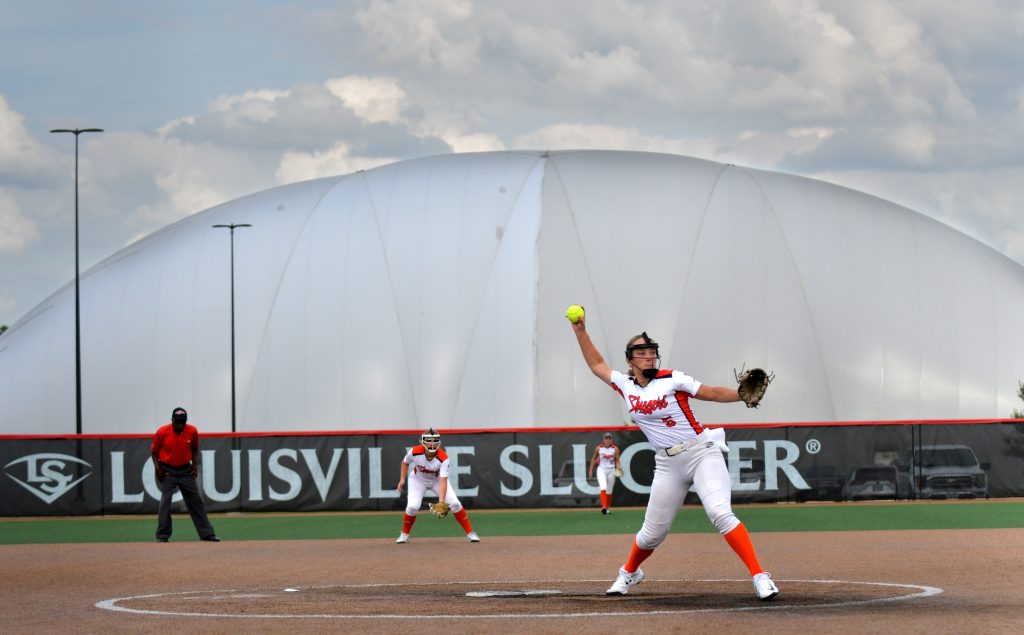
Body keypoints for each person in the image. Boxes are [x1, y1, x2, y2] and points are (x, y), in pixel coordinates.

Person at [569, 316, 779, 600]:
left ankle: (760, 576)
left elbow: (711, 392)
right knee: (651, 534)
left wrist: (740, 396)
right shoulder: (625, 384)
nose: (648, 356)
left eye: (652, 352)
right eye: (641, 353)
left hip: (701, 452)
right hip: (667, 463)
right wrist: (580, 330)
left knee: (719, 512)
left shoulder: (673, 378)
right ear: (630, 359)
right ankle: (629, 572)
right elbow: (596, 365)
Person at [395, 428, 480, 544]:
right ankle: (404, 535)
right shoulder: (415, 451)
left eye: (434, 441)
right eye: (429, 441)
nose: (432, 443)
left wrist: (441, 502)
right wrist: (402, 479)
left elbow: (443, 480)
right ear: (423, 442)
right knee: (412, 507)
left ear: (438, 442)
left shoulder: (443, 458)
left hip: (437, 481)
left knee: (455, 504)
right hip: (417, 480)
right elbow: (405, 462)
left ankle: (471, 533)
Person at [151, 407, 219, 543]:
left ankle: (207, 534)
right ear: (172, 420)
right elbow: (154, 451)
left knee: (196, 502)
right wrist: (158, 468)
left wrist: (194, 465)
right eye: (177, 422)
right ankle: (162, 535)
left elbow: (194, 448)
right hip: (167, 470)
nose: (180, 425)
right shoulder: (162, 432)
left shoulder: (192, 431)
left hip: (185, 471)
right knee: (165, 502)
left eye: (182, 422)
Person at [588, 433, 622, 514]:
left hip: (611, 470)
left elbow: (617, 460)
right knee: (603, 487)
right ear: (603, 440)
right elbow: (594, 459)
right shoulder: (599, 448)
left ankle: (607, 508)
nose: (608, 440)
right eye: (606, 438)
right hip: (601, 470)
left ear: (611, 440)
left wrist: (619, 467)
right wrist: (591, 470)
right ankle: (603, 507)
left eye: (609, 438)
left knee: (609, 491)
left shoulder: (615, 449)